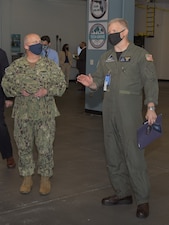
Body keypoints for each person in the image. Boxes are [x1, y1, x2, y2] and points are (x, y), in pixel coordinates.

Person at [77, 18, 159, 218]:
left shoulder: (141, 55)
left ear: (125, 32)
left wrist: (150, 107)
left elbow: (150, 82)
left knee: (133, 154)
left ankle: (143, 199)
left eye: (114, 30)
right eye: (109, 31)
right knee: (112, 152)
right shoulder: (106, 58)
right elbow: (98, 82)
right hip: (109, 110)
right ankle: (122, 193)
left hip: (129, 111)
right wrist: (91, 83)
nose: (111, 34)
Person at [2, 33, 66, 195]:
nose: (38, 44)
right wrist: (18, 91)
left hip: (45, 114)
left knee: (45, 147)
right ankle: (27, 177)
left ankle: (45, 177)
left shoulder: (50, 66)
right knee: (23, 147)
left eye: (39, 42)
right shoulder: (16, 66)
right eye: (35, 42)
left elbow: (61, 85)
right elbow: (5, 85)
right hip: (23, 114)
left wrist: (47, 90)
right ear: (26, 46)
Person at [0, 48, 16, 168]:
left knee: (1, 128)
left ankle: (8, 155)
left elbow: (6, 77)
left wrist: (9, 97)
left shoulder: (1, 53)